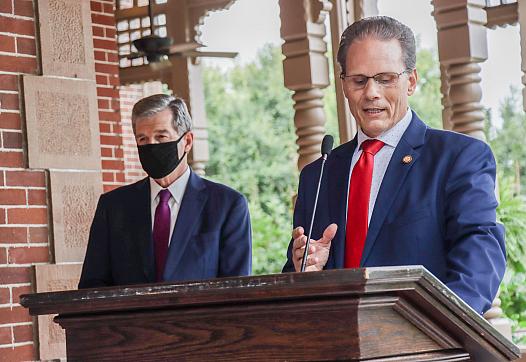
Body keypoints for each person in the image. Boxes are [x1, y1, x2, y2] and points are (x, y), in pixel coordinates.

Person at [282, 16, 505, 314]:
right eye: (359, 80)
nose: (371, 92)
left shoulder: (459, 158)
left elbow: (479, 268)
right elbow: (294, 284)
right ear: (345, 85)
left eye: (385, 79)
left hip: (425, 348)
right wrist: (305, 271)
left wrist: (433, 329)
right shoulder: (318, 174)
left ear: (410, 81)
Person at [79, 94, 252, 288]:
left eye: (161, 136)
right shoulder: (113, 207)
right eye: (143, 139)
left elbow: (237, 291)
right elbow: (92, 287)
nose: (151, 146)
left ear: (187, 141)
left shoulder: (227, 205)